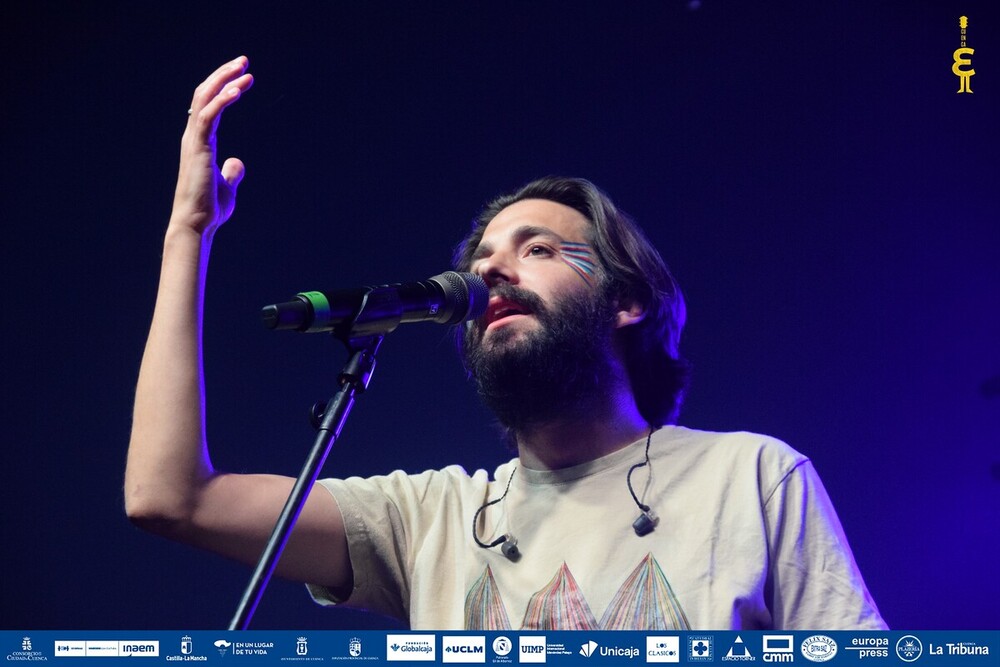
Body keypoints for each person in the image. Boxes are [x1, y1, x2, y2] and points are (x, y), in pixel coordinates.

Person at [126, 57, 887, 630]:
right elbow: (171, 497)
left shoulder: (750, 476)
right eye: (483, 257)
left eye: (539, 250)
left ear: (624, 299)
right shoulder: (432, 516)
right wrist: (186, 234)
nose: (490, 268)